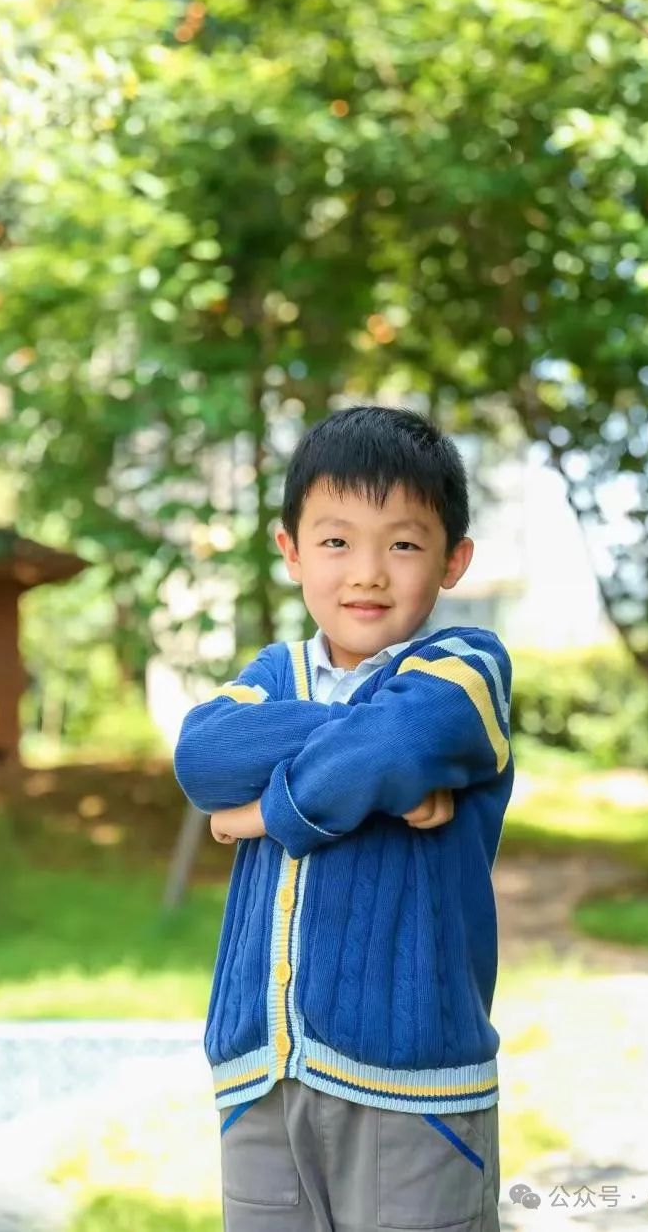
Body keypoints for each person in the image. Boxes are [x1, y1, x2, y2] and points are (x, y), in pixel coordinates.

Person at [172, 404, 514, 1232]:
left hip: (414, 1089)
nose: (366, 571)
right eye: (335, 541)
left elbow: (401, 738)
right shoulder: (271, 670)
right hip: (259, 1079)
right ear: (291, 552)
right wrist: (375, 768)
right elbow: (202, 757)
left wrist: (261, 815)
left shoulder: (464, 667)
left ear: (452, 560)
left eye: (402, 543)